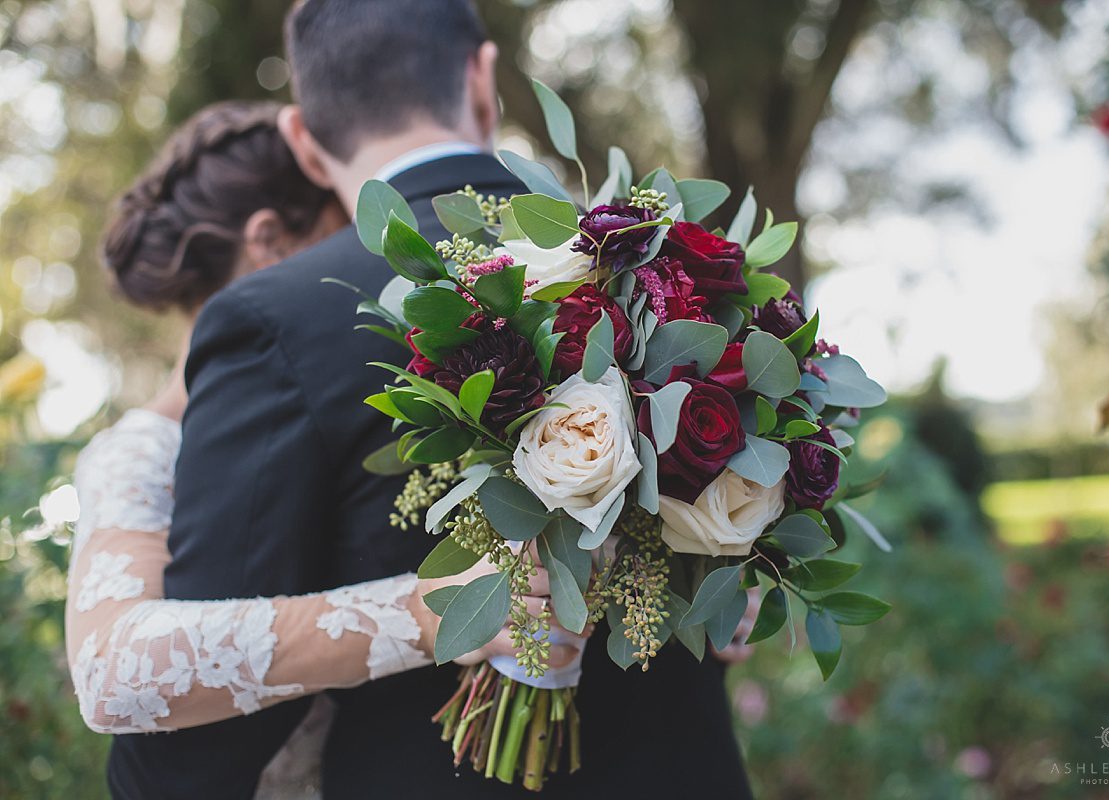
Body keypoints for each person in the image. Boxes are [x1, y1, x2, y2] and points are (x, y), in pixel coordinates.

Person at [107, 1, 755, 798]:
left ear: (305, 142)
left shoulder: (273, 319)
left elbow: (201, 743)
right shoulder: (673, 272)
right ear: (483, 82)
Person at [72, 99, 578, 796]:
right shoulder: (136, 450)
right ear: (271, 241)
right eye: (348, 229)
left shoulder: (327, 421)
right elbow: (110, 671)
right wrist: (427, 612)